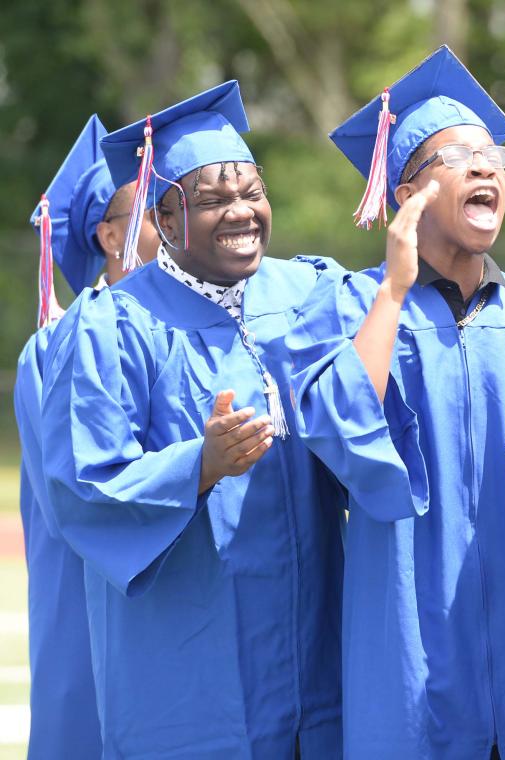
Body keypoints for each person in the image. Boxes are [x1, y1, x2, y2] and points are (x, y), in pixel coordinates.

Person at [287, 46, 505, 759]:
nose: (484, 167)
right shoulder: (352, 306)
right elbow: (344, 439)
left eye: (492, 156)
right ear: (405, 194)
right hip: (410, 638)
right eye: (456, 156)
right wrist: (395, 289)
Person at [40, 81, 346, 758]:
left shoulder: (310, 294)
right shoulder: (112, 327)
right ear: (166, 221)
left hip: (315, 662)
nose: (241, 212)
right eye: (211, 200)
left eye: (251, 193)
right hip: (191, 675)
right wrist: (198, 467)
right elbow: (80, 486)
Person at [14, 113, 161, 759]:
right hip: (89, 592)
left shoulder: (186, 329)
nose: (176, 226)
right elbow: (80, 494)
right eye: (156, 214)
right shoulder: (54, 348)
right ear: (109, 236)